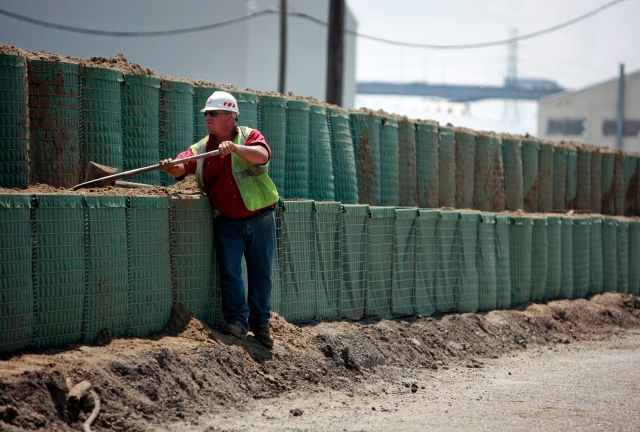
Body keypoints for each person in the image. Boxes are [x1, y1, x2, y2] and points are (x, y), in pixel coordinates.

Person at [161, 90, 279, 349]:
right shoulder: (202, 148)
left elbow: (262, 156)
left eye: (213, 114)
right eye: (207, 114)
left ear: (230, 116)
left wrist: (235, 148)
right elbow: (182, 166)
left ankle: (261, 325)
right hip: (228, 221)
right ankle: (237, 322)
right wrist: (171, 167)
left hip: (261, 218)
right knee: (230, 272)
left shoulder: (249, 136)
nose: (208, 119)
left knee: (262, 274)